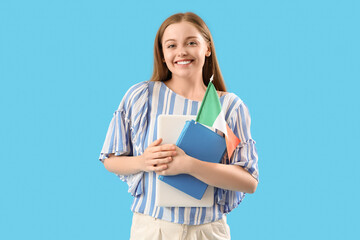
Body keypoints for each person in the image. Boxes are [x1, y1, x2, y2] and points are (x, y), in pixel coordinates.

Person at [99, 12, 259, 240]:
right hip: (153, 230)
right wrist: (143, 161)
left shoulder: (229, 106)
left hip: (208, 231)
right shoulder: (141, 96)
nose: (181, 51)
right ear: (163, 55)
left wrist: (190, 165)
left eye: (191, 42)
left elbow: (249, 181)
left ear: (207, 48)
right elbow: (110, 160)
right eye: (171, 45)